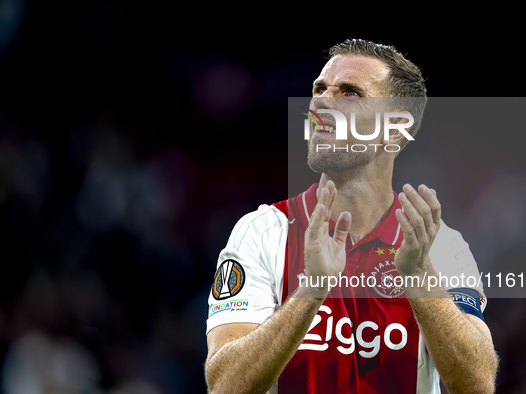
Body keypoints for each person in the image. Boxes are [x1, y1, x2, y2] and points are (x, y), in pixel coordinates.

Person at [204, 39, 498, 394]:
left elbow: (476, 385)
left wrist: (419, 276)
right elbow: (223, 385)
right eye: (319, 88)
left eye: (349, 92)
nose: (321, 101)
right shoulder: (264, 231)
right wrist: (310, 292)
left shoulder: (439, 245)